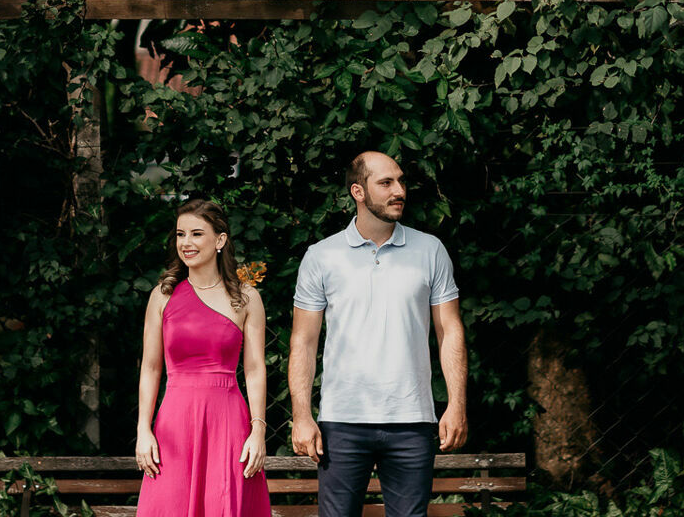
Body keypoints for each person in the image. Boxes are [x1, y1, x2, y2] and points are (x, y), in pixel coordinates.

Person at [288, 152, 467, 517]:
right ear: (358, 191)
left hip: (412, 419)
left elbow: (449, 330)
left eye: (400, 181)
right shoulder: (321, 257)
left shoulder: (430, 250)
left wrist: (457, 403)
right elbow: (303, 342)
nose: (399, 190)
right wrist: (302, 414)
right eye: (386, 183)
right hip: (342, 420)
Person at [136, 199, 273, 517]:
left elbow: (254, 370)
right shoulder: (162, 295)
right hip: (174, 423)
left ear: (220, 240)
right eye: (181, 234)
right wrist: (144, 430)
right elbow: (151, 367)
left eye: (197, 234)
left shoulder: (247, 297)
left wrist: (258, 430)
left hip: (228, 421)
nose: (186, 243)